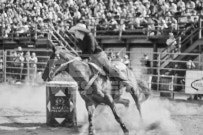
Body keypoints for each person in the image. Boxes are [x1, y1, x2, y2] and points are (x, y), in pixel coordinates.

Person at [67, 23, 137, 92]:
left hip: (99, 55)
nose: (74, 33)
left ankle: (127, 83)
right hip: (90, 57)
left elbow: (91, 49)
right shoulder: (79, 40)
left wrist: (82, 57)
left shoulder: (89, 36)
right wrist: (81, 57)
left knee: (110, 69)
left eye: (75, 31)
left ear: (80, 31)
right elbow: (85, 51)